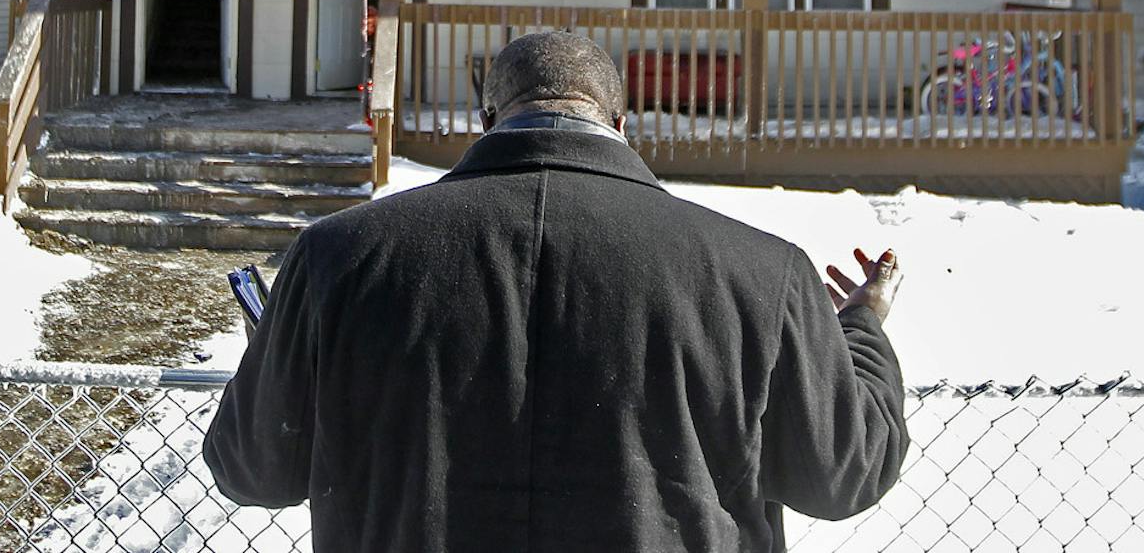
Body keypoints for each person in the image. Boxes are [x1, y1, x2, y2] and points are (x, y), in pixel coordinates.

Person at [204, 30, 908, 553]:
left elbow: (255, 467)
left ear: (487, 120)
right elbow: (846, 472)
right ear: (622, 124)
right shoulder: (761, 272)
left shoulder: (338, 258)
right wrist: (863, 327)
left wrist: (280, 358)